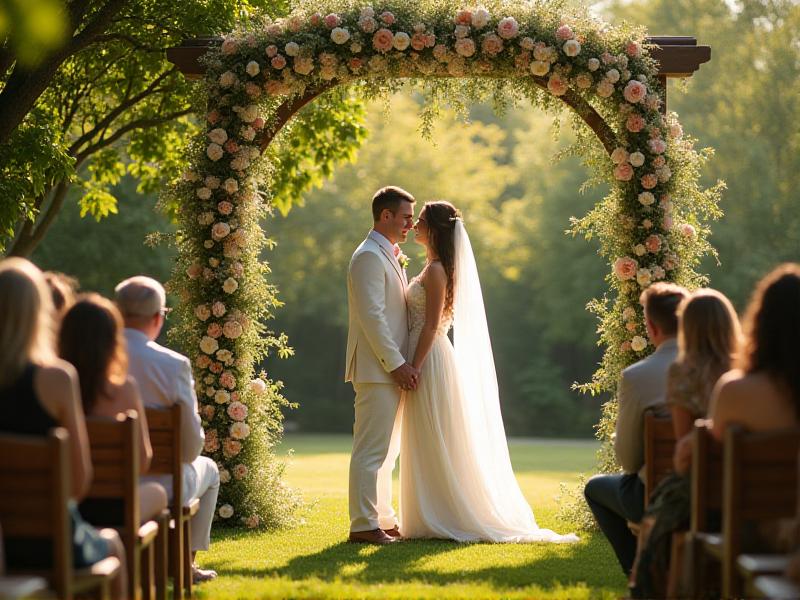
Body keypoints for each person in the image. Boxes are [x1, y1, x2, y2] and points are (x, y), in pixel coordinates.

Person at [398, 200, 577, 543]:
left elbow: (432, 324)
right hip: (426, 355)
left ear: (434, 228)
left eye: (420, 220)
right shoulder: (432, 266)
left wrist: (414, 366)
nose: (415, 225)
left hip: (430, 359)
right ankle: (427, 513)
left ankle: (443, 513)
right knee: (425, 435)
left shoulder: (436, 271)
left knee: (435, 434)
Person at [0, 258, 127, 598]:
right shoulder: (56, 379)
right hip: (48, 540)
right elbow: (79, 482)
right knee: (112, 542)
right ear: (37, 313)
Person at [630, 288, 741, 597]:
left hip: (708, 491)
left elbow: (684, 449)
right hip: (755, 493)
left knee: (659, 512)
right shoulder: (746, 371)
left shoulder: (683, 372)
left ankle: (648, 585)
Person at [114, 276, 218, 583]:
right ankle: (184, 563)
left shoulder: (90, 361)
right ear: (158, 318)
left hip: (103, 479)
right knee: (209, 469)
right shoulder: (173, 365)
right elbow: (189, 450)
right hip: (162, 482)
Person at [584, 281, 688, 575]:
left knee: (595, 488)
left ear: (652, 327)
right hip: (716, 492)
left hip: (655, 496)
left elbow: (628, 461)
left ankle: (640, 576)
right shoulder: (720, 370)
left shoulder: (638, 376)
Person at [345, 186, 418, 545]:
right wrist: (396, 364)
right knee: (371, 449)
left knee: (388, 452)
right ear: (385, 216)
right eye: (405, 217)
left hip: (391, 370)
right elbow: (372, 317)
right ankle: (362, 524)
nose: (411, 223)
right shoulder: (368, 257)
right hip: (378, 369)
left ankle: (384, 519)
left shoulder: (386, 253)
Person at [58, 293, 168, 524]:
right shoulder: (125, 390)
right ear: (112, 340)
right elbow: (142, 461)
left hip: (63, 504)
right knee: (158, 493)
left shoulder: (52, 389)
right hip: (113, 507)